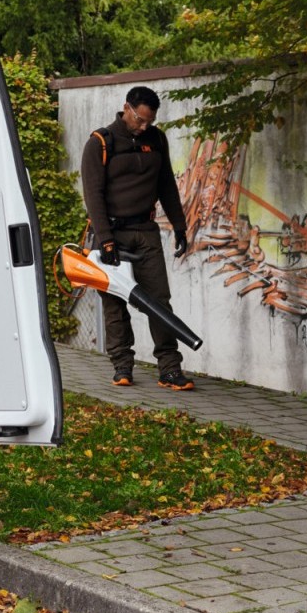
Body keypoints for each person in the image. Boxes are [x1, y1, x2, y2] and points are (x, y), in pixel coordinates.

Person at [80, 85, 194, 390]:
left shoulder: (156, 140)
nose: (144, 126)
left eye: (149, 121)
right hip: (111, 232)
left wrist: (179, 225)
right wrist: (105, 240)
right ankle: (122, 367)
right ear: (126, 108)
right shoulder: (101, 142)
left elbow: (167, 185)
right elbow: (93, 195)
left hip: (145, 233)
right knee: (115, 304)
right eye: (140, 120)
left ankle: (169, 368)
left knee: (159, 301)